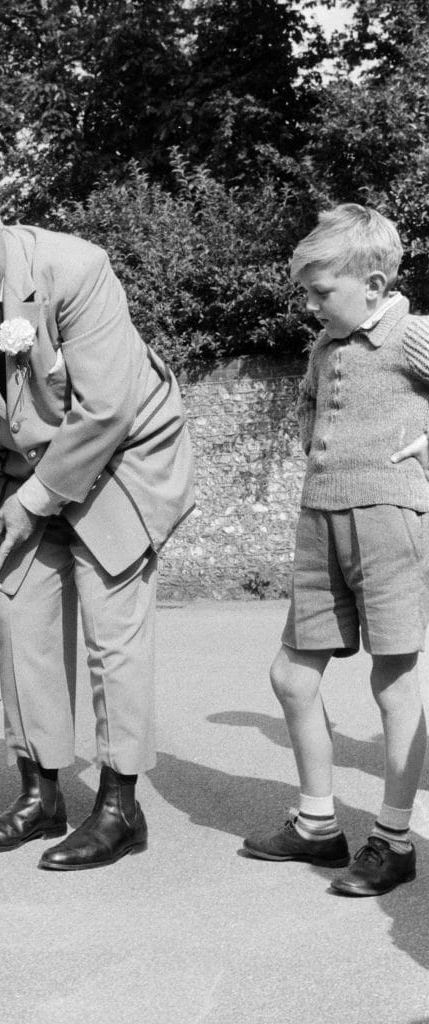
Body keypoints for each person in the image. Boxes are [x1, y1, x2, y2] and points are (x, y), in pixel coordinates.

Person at [0, 155, 195, 871]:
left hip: (121, 458)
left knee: (112, 630)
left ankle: (120, 805)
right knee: (16, 620)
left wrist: (30, 502)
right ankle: (40, 794)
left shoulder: (76, 267)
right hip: (22, 469)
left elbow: (107, 407)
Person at [243, 204, 429, 896]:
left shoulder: (413, 336)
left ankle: (393, 838)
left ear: (374, 286)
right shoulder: (324, 348)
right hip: (318, 523)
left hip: (390, 523)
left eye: (323, 292)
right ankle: (318, 824)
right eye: (308, 292)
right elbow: (307, 404)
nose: (311, 305)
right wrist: (306, 431)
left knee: (393, 683)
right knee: (292, 676)